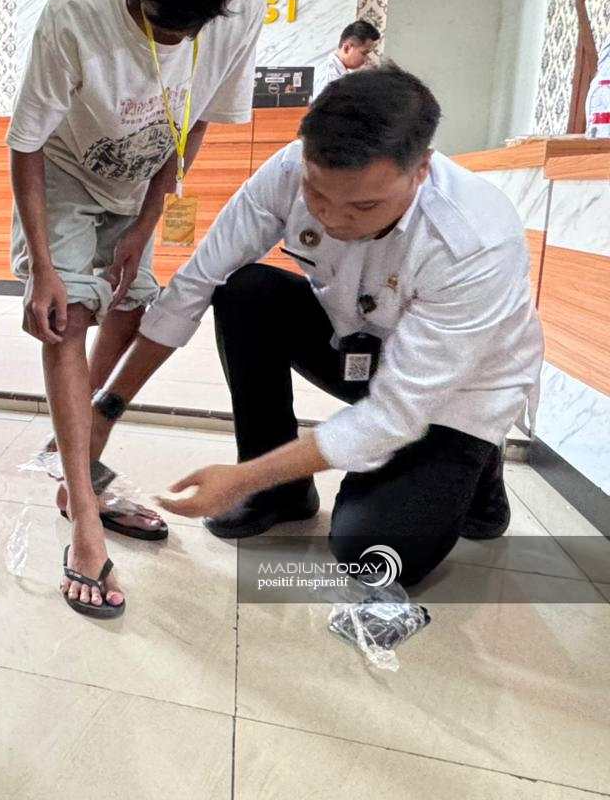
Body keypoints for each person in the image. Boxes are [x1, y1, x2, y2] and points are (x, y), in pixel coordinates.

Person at [85, 66, 543, 587]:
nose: (332, 219)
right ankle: (281, 494)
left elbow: (396, 413)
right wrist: (106, 408)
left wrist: (240, 479)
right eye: (317, 195)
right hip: (361, 348)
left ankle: (477, 463)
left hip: (454, 392)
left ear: (421, 169)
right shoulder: (289, 170)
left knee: (372, 554)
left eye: (363, 206)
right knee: (245, 292)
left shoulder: (473, 242)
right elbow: (195, 283)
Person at [7, 0, 283, 617]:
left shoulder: (239, 5)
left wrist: (149, 217)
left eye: (188, 25)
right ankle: (85, 523)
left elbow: (197, 121)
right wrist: (44, 270)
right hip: (63, 171)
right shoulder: (76, 12)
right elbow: (25, 146)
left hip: (142, 179)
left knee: (132, 308)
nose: (170, 38)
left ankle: (78, 462)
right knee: (68, 316)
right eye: (159, 18)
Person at [312, 20, 380, 101]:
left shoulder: (341, 73)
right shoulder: (330, 79)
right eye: (364, 53)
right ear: (346, 48)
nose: (366, 59)